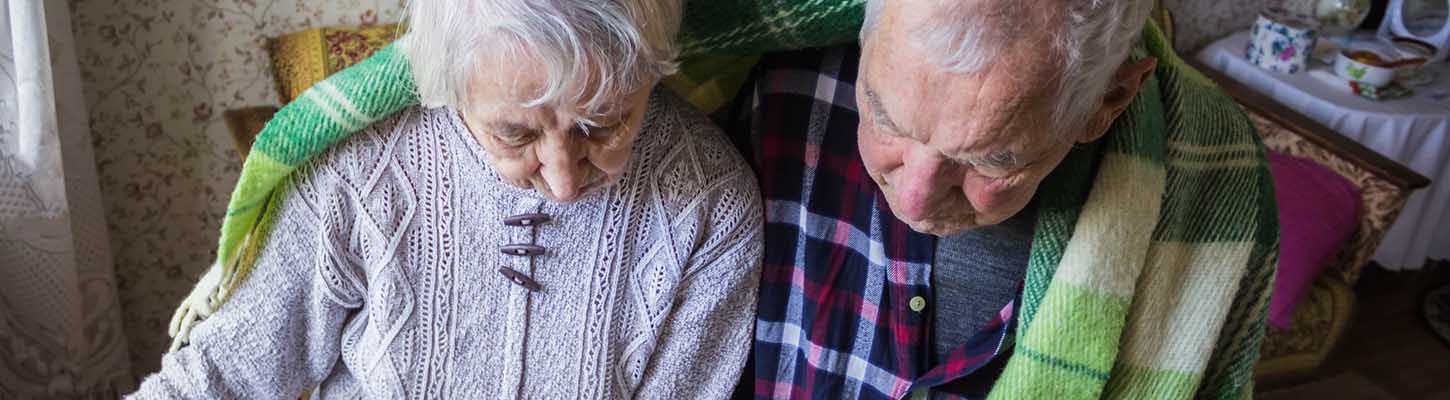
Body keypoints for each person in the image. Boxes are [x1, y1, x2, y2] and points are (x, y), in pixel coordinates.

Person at [130, 0, 762, 398]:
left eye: (604, 124)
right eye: (515, 133)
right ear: (449, 85)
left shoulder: (711, 208)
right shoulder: (361, 171)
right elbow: (223, 377)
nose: (564, 180)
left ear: (652, 72)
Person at [729, 0, 1276, 398]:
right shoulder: (770, 79)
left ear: (1107, 102)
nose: (916, 200)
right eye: (886, 118)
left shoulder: (1214, 176)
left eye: (990, 159)